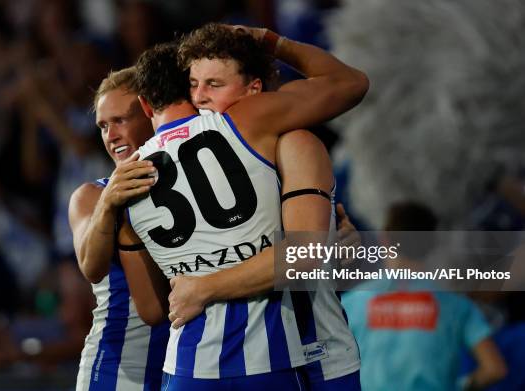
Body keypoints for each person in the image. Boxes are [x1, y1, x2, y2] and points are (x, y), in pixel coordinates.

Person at [116, 24, 367, 389]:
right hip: (277, 354)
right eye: (193, 84)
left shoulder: (291, 140)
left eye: (214, 85)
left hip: (302, 349)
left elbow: (313, 258)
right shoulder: (252, 137)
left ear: (255, 90)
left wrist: (202, 287)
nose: (200, 97)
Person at [68, 67, 169, 391]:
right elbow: (90, 267)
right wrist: (109, 203)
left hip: (193, 364)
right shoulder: (91, 196)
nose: (110, 136)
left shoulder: (193, 181)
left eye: (121, 120)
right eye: (102, 126)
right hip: (120, 372)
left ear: (150, 112)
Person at [341, 202, 507, 391]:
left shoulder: (352, 304)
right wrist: (459, 386)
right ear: (433, 244)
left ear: (384, 239)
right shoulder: (457, 305)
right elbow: (495, 369)